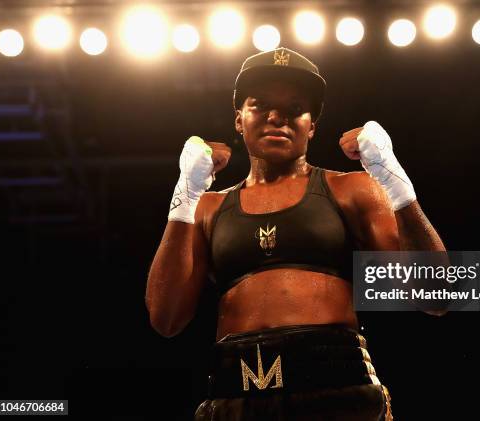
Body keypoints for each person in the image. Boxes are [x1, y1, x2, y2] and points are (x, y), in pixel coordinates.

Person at [145, 47, 446, 421]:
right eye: (260, 105)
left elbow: (435, 295)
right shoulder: (206, 207)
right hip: (235, 399)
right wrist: (184, 197)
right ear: (239, 119)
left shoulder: (352, 189)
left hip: (337, 396)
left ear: (312, 125)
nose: (276, 116)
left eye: (294, 107)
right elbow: (165, 318)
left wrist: (396, 184)